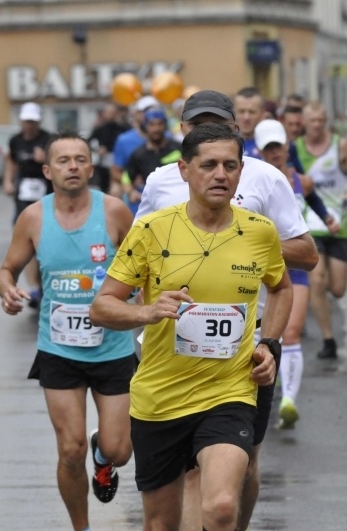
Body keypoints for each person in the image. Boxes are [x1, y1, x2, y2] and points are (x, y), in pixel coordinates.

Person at [90, 123, 293, 531]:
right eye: (209, 165)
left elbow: (282, 288)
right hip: (160, 399)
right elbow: (102, 307)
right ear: (184, 170)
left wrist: (269, 343)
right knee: (162, 524)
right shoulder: (151, 230)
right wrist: (147, 312)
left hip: (229, 391)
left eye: (230, 166)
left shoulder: (259, 231)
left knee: (219, 508)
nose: (220, 174)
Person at [135, 89, 318, 531]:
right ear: (183, 133)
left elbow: (307, 254)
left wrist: (243, 242)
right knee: (195, 470)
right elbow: (139, 248)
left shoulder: (263, 179)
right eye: (196, 126)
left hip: (245, 342)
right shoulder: (161, 181)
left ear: (237, 130)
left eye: (217, 124)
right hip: (171, 344)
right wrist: (142, 314)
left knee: (245, 466)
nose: (207, 133)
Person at [0, 131, 137, 531]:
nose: (72, 166)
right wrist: (7, 290)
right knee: (69, 450)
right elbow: (6, 269)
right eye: (63, 160)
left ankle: (104, 458)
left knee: (119, 449)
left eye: (80, 159)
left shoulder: (114, 213)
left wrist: (142, 303)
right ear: (47, 170)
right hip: (59, 349)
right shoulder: (34, 218)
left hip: (112, 348)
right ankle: (82, 527)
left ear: (92, 167)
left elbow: (144, 268)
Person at [255, 119, 338, 429]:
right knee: (265, 334)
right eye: (269, 148)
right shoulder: (252, 182)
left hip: (293, 264)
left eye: (279, 147)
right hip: (261, 267)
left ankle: (289, 401)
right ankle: (267, 381)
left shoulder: (301, 181)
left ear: (287, 147)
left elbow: (314, 201)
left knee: (291, 332)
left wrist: (327, 218)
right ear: (260, 151)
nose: (275, 153)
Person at [295, 101, 347, 359]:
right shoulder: (295, 149)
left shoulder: (340, 145)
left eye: (321, 120)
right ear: (304, 123)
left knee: (338, 289)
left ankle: (322, 295)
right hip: (310, 226)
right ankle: (329, 340)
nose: (317, 125)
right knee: (316, 281)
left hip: (338, 224)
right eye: (312, 120)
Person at [2, 101, 52, 308]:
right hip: (23, 195)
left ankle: (45, 284)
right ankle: (33, 288)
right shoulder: (15, 141)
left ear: (38, 121)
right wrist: (7, 180)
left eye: (32, 121)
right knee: (28, 241)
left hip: (46, 193)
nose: (29, 125)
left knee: (45, 242)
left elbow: (59, 161)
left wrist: (45, 159)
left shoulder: (48, 139)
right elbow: (11, 161)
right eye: (26, 121)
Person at [123, 107, 181, 213]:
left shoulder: (179, 148)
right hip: (153, 203)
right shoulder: (138, 154)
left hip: (179, 200)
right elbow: (126, 177)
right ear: (145, 126)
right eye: (152, 124)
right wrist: (131, 192)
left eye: (160, 124)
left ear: (165, 125)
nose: (156, 128)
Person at [111, 95, 159, 198]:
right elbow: (116, 172)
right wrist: (130, 182)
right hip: (136, 198)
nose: (150, 115)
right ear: (136, 114)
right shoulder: (124, 140)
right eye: (145, 111)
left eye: (154, 110)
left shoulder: (169, 139)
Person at [89, 102, 130, 194]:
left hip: (119, 160)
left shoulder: (122, 128)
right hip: (105, 160)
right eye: (109, 112)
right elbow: (88, 142)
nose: (111, 115)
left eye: (113, 113)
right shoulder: (99, 128)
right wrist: (97, 150)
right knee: (105, 184)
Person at [234, 86, 264, 159]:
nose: (246, 117)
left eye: (252, 112)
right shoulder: (225, 144)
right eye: (241, 111)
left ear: (262, 113)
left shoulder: (272, 144)